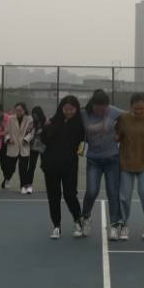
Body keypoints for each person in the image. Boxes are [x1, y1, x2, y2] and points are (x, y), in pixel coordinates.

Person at [79, 89, 124, 237]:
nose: (101, 111)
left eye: (104, 108)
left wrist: (119, 132)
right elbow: (89, 129)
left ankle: (114, 225)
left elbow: (131, 115)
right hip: (93, 160)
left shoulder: (113, 111)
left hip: (112, 159)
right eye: (98, 108)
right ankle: (86, 218)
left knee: (113, 192)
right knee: (92, 191)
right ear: (93, 105)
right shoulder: (84, 113)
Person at [40, 95, 85, 239]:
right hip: (51, 165)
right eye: (66, 109)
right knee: (53, 197)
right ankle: (56, 226)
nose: (68, 112)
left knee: (70, 194)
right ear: (61, 108)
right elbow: (42, 141)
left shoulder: (80, 125)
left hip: (69, 165)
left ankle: (78, 221)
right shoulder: (52, 122)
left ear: (76, 109)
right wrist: (44, 127)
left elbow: (84, 143)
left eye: (72, 109)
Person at [115, 93, 144, 241]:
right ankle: (123, 224)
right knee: (124, 196)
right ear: (130, 106)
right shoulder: (123, 118)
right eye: (136, 109)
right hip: (126, 162)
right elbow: (116, 136)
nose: (139, 111)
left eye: (142, 108)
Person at [3, 102, 35, 194]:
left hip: (24, 147)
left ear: (24, 110)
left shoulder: (29, 119)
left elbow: (31, 132)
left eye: (20, 110)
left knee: (23, 169)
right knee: (10, 168)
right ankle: (7, 179)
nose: (18, 112)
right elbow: (6, 131)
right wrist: (8, 139)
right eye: (17, 110)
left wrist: (26, 140)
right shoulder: (10, 118)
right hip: (13, 146)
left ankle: (23, 186)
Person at [24, 106, 46, 194]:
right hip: (33, 147)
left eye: (36, 115)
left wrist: (42, 131)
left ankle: (51, 183)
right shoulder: (32, 123)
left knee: (45, 166)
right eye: (33, 115)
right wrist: (28, 130)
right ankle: (29, 185)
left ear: (40, 114)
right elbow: (27, 133)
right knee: (31, 166)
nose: (35, 117)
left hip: (43, 147)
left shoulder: (46, 122)